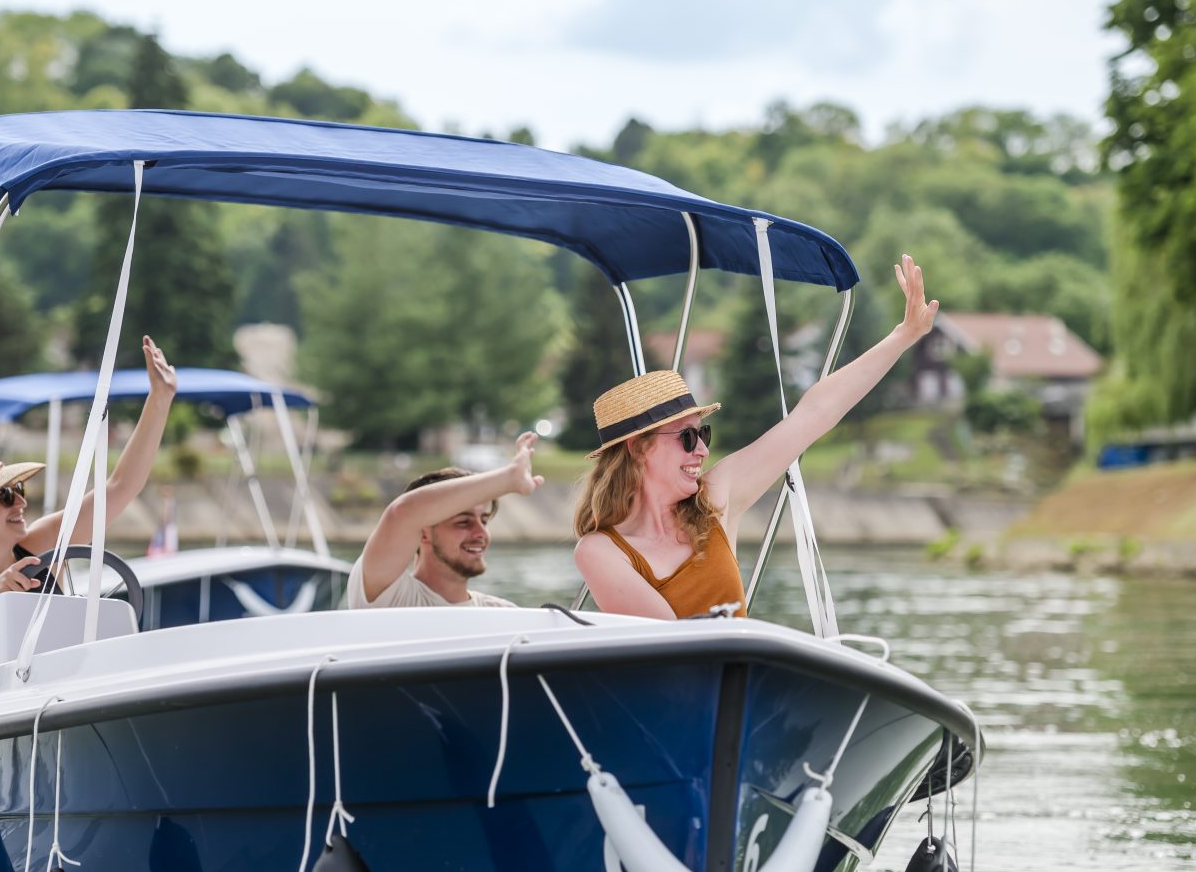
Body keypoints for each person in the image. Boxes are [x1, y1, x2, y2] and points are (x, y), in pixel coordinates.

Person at [575, 254, 939, 619]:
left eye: (703, 434)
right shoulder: (601, 551)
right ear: (638, 448)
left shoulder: (717, 497)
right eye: (686, 437)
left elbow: (813, 414)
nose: (702, 449)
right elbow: (669, 643)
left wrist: (903, 336)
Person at [0, 336, 177, 674]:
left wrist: (160, 399)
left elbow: (119, 488)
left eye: (18, 488)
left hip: (65, 691)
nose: (22, 502)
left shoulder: (43, 542)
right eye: (6, 495)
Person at [348, 431, 543, 609]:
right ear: (423, 533)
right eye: (463, 522)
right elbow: (403, 513)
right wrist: (509, 478)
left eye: (484, 521)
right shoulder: (390, 597)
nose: (480, 533)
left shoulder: (503, 613)